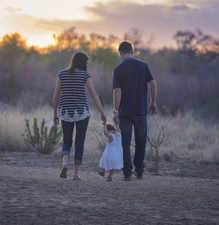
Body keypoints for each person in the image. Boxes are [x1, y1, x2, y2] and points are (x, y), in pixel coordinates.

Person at [52, 52, 106, 180]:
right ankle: (75, 174)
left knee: (67, 140)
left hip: (65, 112)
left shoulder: (62, 74)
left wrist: (55, 113)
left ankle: (65, 164)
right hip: (81, 113)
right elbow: (94, 95)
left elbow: (56, 95)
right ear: (83, 63)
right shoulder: (85, 75)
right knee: (79, 141)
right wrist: (102, 113)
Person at [112, 41, 158, 181]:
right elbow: (153, 83)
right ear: (132, 51)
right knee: (140, 141)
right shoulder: (143, 66)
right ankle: (139, 170)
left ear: (120, 52)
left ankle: (127, 173)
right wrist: (153, 102)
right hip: (140, 110)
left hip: (125, 112)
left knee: (125, 142)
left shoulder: (118, 69)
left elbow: (117, 91)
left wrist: (115, 110)